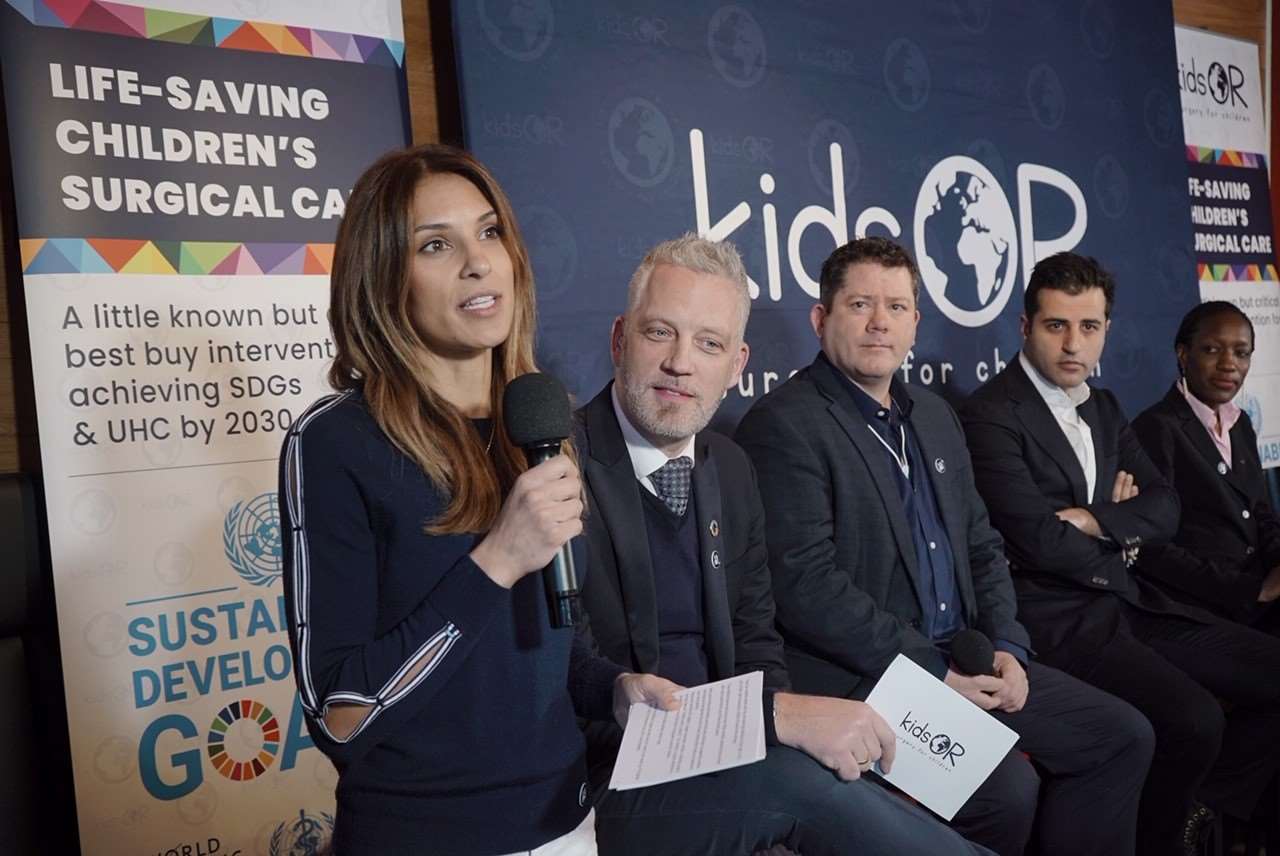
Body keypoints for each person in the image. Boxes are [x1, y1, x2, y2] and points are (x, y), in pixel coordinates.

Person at [278, 144, 672, 856]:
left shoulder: (538, 421)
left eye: (490, 233)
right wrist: (496, 561)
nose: (479, 261)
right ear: (383, 278)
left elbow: (547, 646)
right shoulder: (336, 441)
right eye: (436, 244)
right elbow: (341, 713)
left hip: (566, 825)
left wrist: (612, 687)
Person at [735, 237, 1153, 856]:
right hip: (870, 676)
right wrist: (932, 674)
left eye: (897, 307)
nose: (880, 322)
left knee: (1123, 735)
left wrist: (1008, 644)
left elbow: (982, 543)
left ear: (915, 324)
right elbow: (806, 587)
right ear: (821, 320)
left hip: (966, 658)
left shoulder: (932, 416)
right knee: (1006, 790)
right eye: (860, 305)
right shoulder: (785, 424)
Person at [577, 234, 991, 855]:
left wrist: (776, 725)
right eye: (660, 333)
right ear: (619, 340)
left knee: (965, 792)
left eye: (709, 343)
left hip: (737, 754)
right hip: (611, 773)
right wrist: (779, 721)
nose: (681, 363)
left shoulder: (730, 466)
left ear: (738, 364)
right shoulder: (557, 465)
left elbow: (756, 640)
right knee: (825, 798)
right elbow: (563, 676)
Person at [959, 252, 1280, 856]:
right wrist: (1123, 533)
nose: (1074, 344)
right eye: (1057, 326)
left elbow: (1166, 508)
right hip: (1059, 622)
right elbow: (1036, 541)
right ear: (1025, 327)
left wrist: (1095, 519)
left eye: (1090, 327)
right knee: (1193, 719)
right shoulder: (990, 414)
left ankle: (1203, 808)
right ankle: (1168, 840)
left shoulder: (1103, 407)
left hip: (1131, 603)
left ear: (1107, 328)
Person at [1133, 301, 1280, 631]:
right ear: (1183, 355)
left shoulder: (1240, 424)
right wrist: (1252, 590)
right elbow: (1151, 548)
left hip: (1258, 600)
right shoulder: (1156, 428)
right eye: (1213, 349)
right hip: (1201, 607)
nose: (1230, 364)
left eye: (1242, 353)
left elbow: (1260, 512)